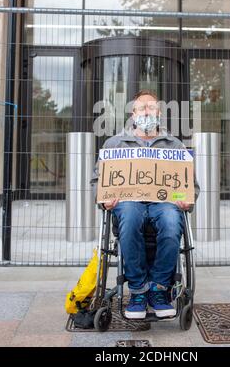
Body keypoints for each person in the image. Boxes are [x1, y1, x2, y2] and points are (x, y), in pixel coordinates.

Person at [90, 90, 200, 319]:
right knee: (129, 219)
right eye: (142, 108)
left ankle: (159, 289)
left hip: (164, 203)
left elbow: (190, 186)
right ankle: (138, 290)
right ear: (133, 113)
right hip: (128, 202)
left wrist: (186, 200)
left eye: (151, 107)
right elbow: (97, 181)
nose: (146, 111)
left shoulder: (175, 144)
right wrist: (103, 198)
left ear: (160, 113)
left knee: (172, 222)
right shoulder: (114, 143)